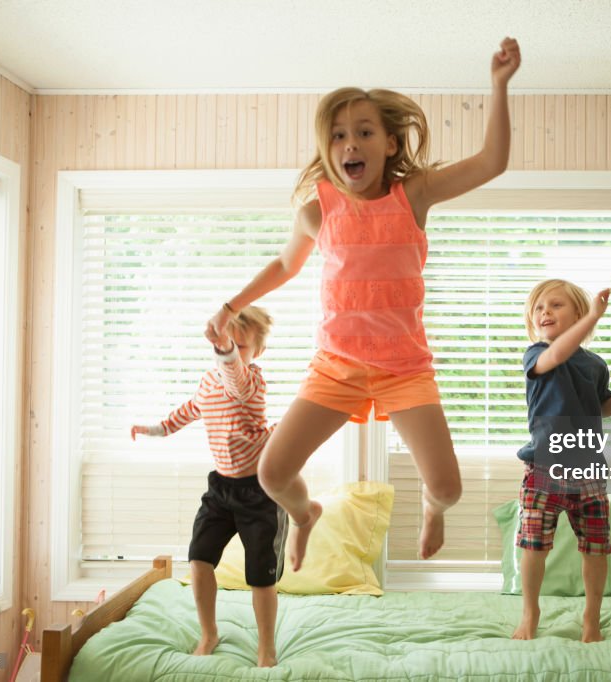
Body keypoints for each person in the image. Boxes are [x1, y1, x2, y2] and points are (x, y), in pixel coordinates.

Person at [205, 37, 522, 570]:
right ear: (329, 150)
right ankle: (306, 516)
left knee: (448, 487)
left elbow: (492, 162)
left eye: (364, 133)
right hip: (337, 366)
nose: (351, 144)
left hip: (404, 368)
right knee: (273, 474)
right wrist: (229, 305)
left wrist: (498, 84)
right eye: (339, 135)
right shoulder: (317, 212)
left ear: (391, 145)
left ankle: (430, 507)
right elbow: (285, 266)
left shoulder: (413, 196)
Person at [130, 306, 286, 667]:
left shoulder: (252, 381)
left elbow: (235, 377)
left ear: (256, 353)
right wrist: (153, 429)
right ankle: (209, 632)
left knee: (260, 576)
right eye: (228, 343)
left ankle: (266, 648)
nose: (232, 351)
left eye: (241, 346)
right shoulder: (208, 381)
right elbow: (187, 411)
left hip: (258, 492)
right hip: (221, 489)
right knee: (199, 559)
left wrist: (227, 348)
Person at [511, 280, 611, 643]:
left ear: (577, 314)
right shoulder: (537, 354)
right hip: (543, 469)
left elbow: (598, 407)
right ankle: (530, 611)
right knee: (533, 544)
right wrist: (594, 317)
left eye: (556, 305)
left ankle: (591, 617)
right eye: (539, 308)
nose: (545, 313)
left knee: (596, 547)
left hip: (588, 472)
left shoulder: (595, 365)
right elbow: (557, 356)